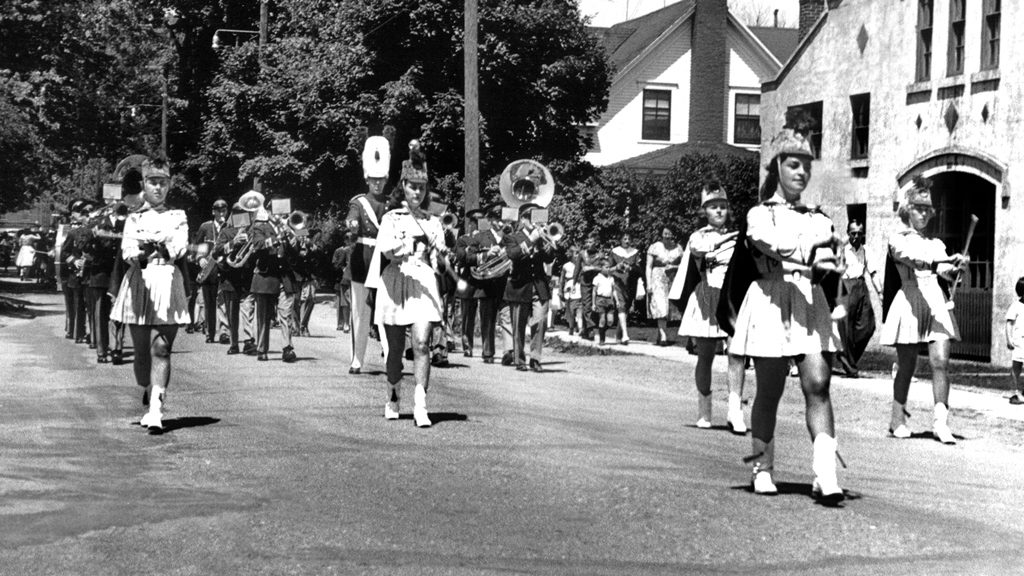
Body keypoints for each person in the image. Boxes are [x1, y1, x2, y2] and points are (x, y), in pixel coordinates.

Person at [728, 114, 846, 503]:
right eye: (794, 165)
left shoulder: (818, 218)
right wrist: (811, 253)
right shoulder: (759, 214)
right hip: (770, 301)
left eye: (807, 166)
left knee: (818, 383)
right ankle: (762, 466)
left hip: (808, 302)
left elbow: (829, 252)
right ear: (777, 166)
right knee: (770, 389)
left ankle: (825, 474)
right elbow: (769, 243)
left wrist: (833, 261)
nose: (801, 173)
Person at [880, 176, 968, 444]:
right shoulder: (898, 239)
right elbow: (915, 261)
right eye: (919, 207)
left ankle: (941, 423)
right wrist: (941, 261)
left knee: (940, 362)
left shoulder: (937, 244)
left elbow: (945, 272)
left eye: (928, 209)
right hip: (910, 299)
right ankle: (897, 419)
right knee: (907, 365)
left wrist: (957, 268)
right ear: (907, 208)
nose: (924, 213)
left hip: (935, 300)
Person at [110, 158, 190, 432]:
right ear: (144, 184)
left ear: (170, 184)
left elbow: (180, 246)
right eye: (153, 182)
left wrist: (166, 249)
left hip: (167, 280)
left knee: (162, 348)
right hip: (139, 283)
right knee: (143, 354)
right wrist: (142, 251)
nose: (158, 187)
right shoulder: (133, 218)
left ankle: (156, 408)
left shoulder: (177, 215)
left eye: (163, 182)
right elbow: (127, 252)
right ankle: (147, 388)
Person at [369, 141, 444, 427]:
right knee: (395, 353)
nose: (417, 192)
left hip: (422, 282)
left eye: (422, 188)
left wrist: (443, 255)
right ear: (404, 185)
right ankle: (393, 393)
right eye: (412, 186)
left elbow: (438, 258)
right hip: (395, 282)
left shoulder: (433, 221)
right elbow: (387, 250)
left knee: (423, 344)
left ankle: (420, 403)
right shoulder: (391, 217)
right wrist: (410, 244)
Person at [677, 182, 744, 431]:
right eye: (713, 207)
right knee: (705, 356)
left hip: (731, 300)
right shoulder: (698, 236)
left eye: (723, 207)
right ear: (704, 211)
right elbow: (699, 250)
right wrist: (727, 240)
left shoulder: (738, 236)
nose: (719, 212)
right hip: (706, 299)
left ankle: (735, 410)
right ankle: (704, 410)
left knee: (737, 354)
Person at [346, 136, 391, 375]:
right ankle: (357, 359)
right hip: (362, 260)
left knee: (386, 311)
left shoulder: (392, 202)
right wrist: (352, 224)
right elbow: (352, 217)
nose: (377, 184)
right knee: (359, 314)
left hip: (384, 259)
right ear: (367, 179)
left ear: (385, 179)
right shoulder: (359, 202)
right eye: (373, 180)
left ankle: (390, 356)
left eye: (380, 180)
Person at [503, 204, 557, 370]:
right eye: (533, 218)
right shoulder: (513, 237)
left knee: (540, 322)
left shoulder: (542, 236)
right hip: (520, 286)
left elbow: (548, 260)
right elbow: (513, 254)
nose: (536, 223)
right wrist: (531, 239)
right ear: (524, 219)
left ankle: (535, 358)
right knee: (518, 325)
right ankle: (519, 359)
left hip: (539, 286)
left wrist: (551, 244)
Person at [466, 204, 514, 364]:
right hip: (487, 284)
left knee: (507, 317)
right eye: (499, 219)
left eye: (504, 219)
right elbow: (469, 258)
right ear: (492, 220)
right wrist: (486, 254)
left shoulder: (511, 236)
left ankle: (509, 351)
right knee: (488, 320)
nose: (503, 223)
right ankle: (488, 352)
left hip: (506, 284)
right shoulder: (480, 237)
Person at [834, 219, 881, 378]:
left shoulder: (866, 250)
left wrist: (880, 293)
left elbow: (873, 272)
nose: (856, 236)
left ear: (863, 235)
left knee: (868, 326)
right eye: (853, 233)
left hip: (861, 286)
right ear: (848, 233)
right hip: (845, 286)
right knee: (846, 328)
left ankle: (847, 357)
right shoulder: (842, 249)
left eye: (859, 234)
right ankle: (850, 365)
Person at [193, 199, 229, 343]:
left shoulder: (229, 226)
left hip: (224, 269)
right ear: (213, 211)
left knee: (222, 303)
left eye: (224, 210)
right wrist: (200, 258)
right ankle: (210, 332)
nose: (221, 213)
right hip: (208, 270)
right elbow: (197, 246)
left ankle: (224, 332)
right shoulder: (205, 227)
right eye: (218, 210)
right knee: (208, 303)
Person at [646, 225, 683, 345]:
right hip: (657, 278)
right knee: (660, 306)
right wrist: (648, 284)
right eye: (665, 233)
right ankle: (663, 336)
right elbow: (648, 266)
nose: (667, 236)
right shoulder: (655, 247)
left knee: (668, 309)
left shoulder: (678, 248)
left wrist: (674, 266)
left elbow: (685, 266)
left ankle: (660, 333)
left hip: (673, 279)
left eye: (669, 233)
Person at [455, 208, 483, 356]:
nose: (478, 225)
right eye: (475, 222)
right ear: (471, 224)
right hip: (469, 280)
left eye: (480, 222)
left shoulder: (488, 238)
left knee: (486, 314)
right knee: (467, 315)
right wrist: (475, 243)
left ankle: (486, 348)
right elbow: (461, 257)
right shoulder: (463, 240)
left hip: (485, 280)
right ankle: (467, 345)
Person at [610, 233, 641, 345]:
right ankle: (625, 335)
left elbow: (639, 268)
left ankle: (619, 334)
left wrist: (631, 268)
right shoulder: (614, 251)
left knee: (626, 307)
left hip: (631, 282)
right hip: (618, 281)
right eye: (625, 239)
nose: (627, 241)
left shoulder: (635, 252)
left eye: (629, 239)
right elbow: (609, 267)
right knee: (621, 305)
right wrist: (616, 267)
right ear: (621, 240)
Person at [574, 233, 603, 340]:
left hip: (596, 283)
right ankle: (590, 329)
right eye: (587, 242)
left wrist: (592, 268)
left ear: (595, 243)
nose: (588, 244)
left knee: (594, 306)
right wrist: (573, 283)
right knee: (586, 305)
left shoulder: (600, 255)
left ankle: (585, 330)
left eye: (590, 242)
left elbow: (604, 268)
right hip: (585, 282)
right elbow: (577, 269)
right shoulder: (582, 254)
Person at [1006, 277, 1024, 405]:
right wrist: (1009, 339)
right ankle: (1015, 391)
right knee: (1016, 367)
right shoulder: (1016, 306)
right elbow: (1009, 323)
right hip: (1019, 341)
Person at [592, 255, 617, 345]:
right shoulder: (597, 278)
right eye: (606, 267)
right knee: (602, 319)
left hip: (609, 300)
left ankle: (601, 330)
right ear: (601, 268)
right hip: (600, 300)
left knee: (610, 321)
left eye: (609, 267)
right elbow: (594, 291)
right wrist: (593, 304)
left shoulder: (611, 278)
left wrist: (616, 301)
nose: (608, 269)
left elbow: (614, 290)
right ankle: (602, 339)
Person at [332, 231, 353, 332]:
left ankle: (348, 323)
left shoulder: (359, 249)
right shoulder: (342, 251)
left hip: (355, 279)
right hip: (343, 279)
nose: (350, 241)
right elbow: (337, 264)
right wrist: (343, 269)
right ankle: (344, 323)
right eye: (348, 238)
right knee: (344, 303)